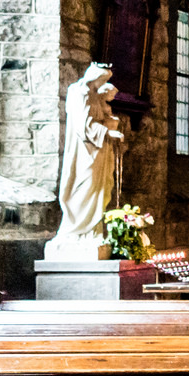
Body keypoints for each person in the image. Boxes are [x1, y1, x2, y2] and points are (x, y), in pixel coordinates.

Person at [44, 63, 125, 259]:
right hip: (84, 153)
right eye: (101, 80)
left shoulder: (95, 95)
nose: (102, 84)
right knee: (84, 187)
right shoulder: (78, 92)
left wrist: (109, 127)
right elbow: (83, 125)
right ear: (93, 77)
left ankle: (92, 231)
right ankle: (76, 230)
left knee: (101, 189)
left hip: (99, 152)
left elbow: (101, 117)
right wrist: (107, 132)